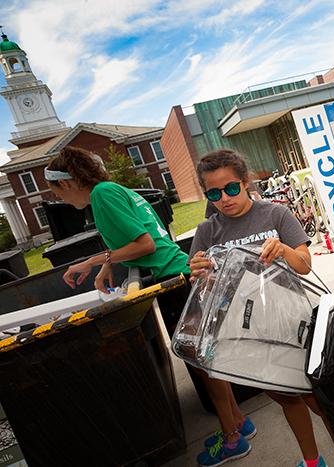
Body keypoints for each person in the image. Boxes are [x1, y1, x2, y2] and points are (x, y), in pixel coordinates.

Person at [44, 147, 255, 467]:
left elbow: (145, 244)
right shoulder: (112, 191)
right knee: (206, 359)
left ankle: (231, 439)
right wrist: (105, 267)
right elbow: (128, 241)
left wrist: (91, 261)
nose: (58, 199)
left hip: (175, 280)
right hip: (181, 275)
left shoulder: (103, 194)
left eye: (56, 192)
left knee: (202, 363)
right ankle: (238, 422)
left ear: (69, 182)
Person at [188, 149, 334, 467]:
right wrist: (199, 273)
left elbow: (305, 265)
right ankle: (311, 462)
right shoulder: (206, 232)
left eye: (231, 188)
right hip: (249, 336)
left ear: (246, 181)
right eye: (213, 193)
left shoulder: (275, 215)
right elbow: (202, 289)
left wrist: (283, 250)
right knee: (288, 399)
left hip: (294, 326)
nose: (224, 198)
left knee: (321, 402)